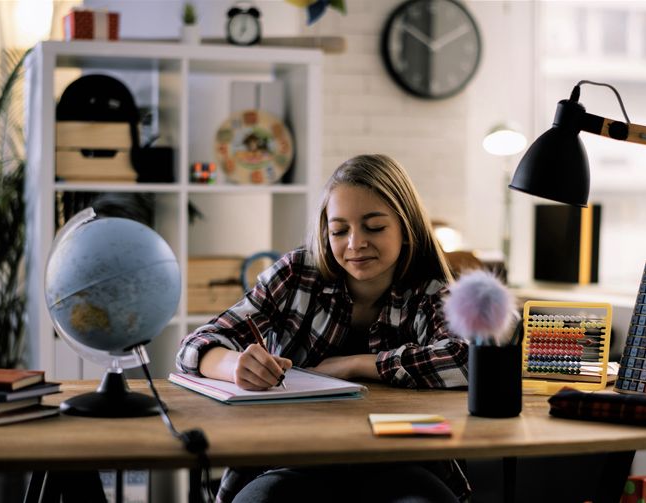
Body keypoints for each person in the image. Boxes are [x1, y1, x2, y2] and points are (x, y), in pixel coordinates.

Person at [176, 154, 470, 503]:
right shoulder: (297, 274)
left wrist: (353, 365)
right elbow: (194, 347)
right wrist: (232, 365)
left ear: (407, 230)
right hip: (292, 459)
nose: (355, 243)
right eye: (339, 230)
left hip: (403, 460)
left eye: (374, 227)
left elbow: (466, 360)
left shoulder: (432, 290)